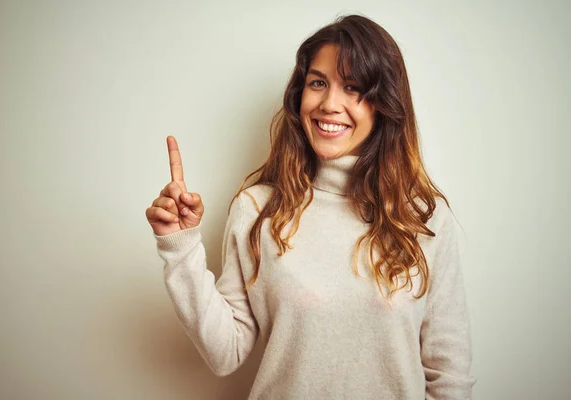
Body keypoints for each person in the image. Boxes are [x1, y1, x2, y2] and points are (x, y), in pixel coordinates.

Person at [145, 13, 476, 400]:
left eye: (353, 87)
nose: (329, 104)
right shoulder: (258, 210)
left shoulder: (423, 217)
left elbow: (449, 373)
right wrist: (180, 247)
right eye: (318, 82)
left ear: (383, 104)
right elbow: (225, 353)